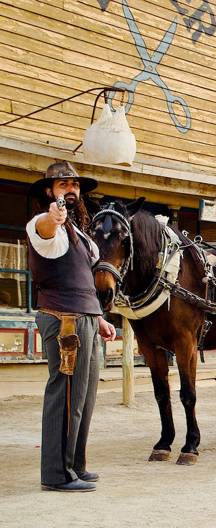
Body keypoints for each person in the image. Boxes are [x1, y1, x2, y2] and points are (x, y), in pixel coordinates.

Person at [27, 161, 116, 492]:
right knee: (64, 396)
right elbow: (45, 229)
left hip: (87, 318)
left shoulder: (79, 233)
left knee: (84, 397)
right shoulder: (44, 223)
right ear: (50, 191)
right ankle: (56, 474)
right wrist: (54, 218)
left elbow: (84, 281)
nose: (71, 189)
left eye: (74, 184)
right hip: (64, 319)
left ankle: (75, 464)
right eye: (62, 184)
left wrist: (100, 318)